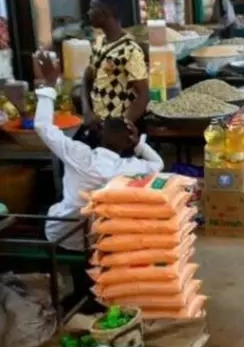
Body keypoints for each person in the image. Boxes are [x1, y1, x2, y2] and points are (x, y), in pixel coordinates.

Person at [11, 51, 163, 309]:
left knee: (47, 205)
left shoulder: (79, 154)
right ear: (127, 142)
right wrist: (138, 145)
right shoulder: (130, 167)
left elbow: (43, 127)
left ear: (99, 134)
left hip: (62, 233)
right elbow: (157, 165)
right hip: (103, 239)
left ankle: (73, 290)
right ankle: (92, 292)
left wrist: (48, 85)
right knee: (84, 226)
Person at [78, 0, 149, 148]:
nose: (89, 12)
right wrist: (87, 111)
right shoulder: (99, 43)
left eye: (92, 8)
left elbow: (143, 96)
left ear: (105, 12)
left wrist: (122, 126)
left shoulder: (131, 51)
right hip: (97, 130)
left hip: (115, 138)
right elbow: (87, 78)